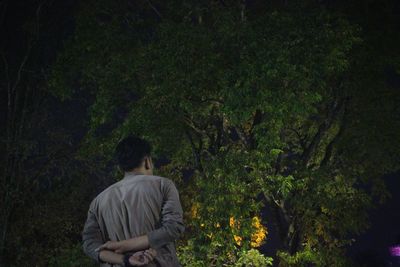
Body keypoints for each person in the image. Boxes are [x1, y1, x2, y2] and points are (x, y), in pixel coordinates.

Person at [82, 136, 185, 266]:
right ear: (148, 161)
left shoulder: (98, 201)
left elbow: (90, 245)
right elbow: (173, 228)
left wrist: (125, 259)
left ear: (121, 167)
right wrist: (124, 246)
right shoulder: (163, 185)